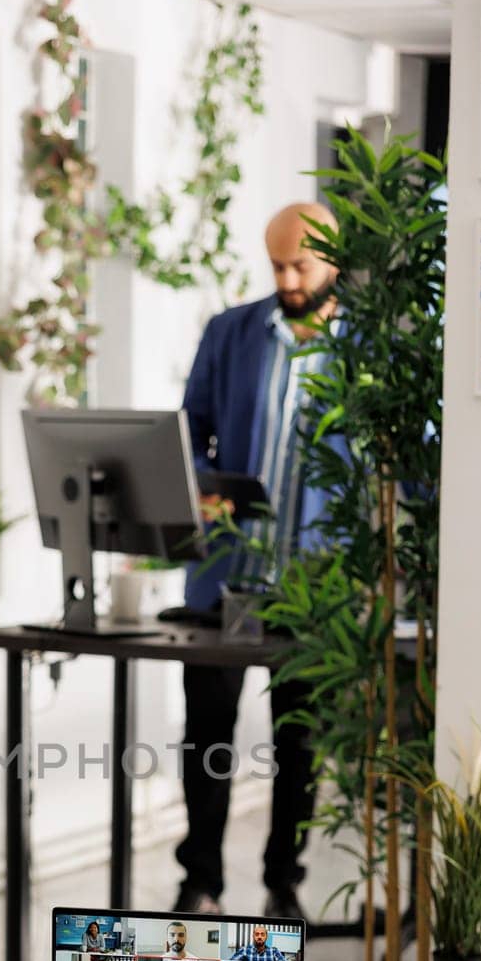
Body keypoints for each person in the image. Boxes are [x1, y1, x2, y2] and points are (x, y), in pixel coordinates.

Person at [173, 200, 341, 923]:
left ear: (332, 259)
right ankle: (201, 879)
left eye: (300, 264)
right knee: (208, 733)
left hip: (315, 583)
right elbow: (190, 431)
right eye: (276, 264)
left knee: (298, 742)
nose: (288, 278)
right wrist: (199, 489)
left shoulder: (365, 350)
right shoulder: (232, 332)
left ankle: (284, 880)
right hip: (229, 579)